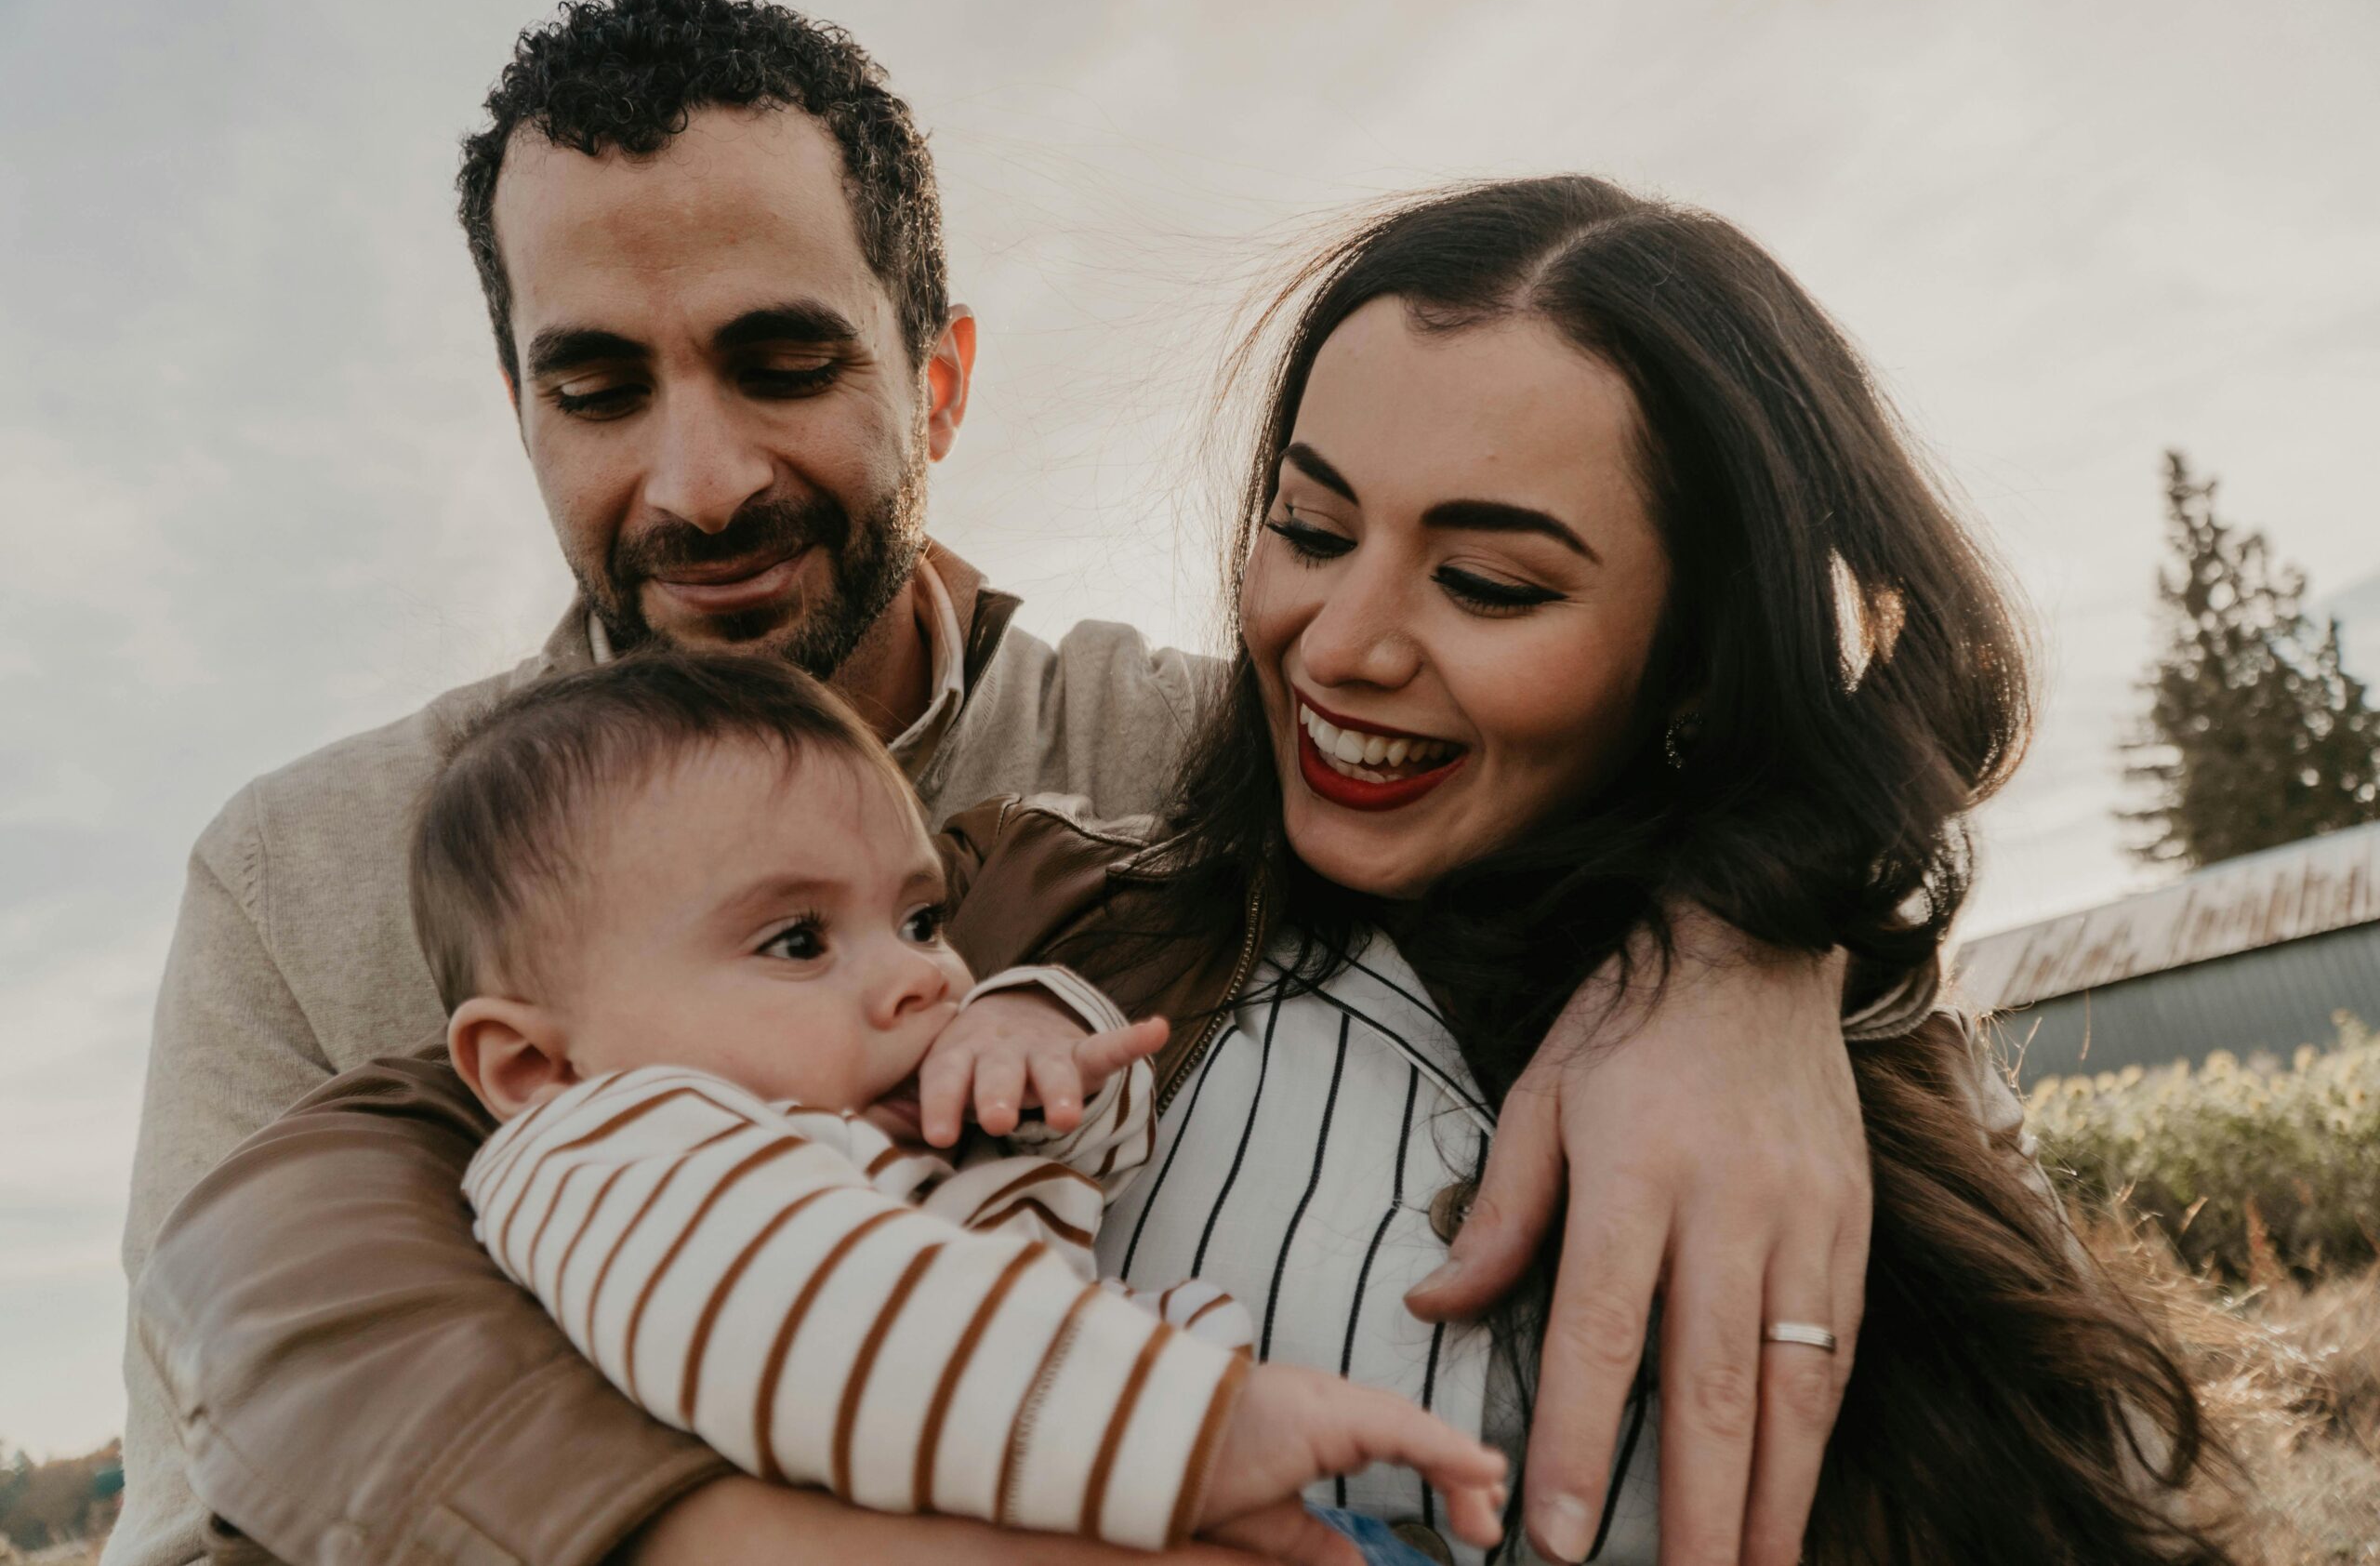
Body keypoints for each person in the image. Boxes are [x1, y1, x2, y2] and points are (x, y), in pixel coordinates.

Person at [133, 171, 2241, 1566]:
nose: (1335, 638)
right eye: (1305, 528)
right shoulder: (1099, 878)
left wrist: (1737, 935)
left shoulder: (1821, 1048)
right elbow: (350, 1194)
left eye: (1488, 574)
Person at [422, 652, 1508, 1563]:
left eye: (921, 918)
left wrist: (1037, 1038)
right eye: (797, 941)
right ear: (532, 1067)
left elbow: (1086, 1151)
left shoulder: (880, 1110)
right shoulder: (602, 1149)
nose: (928, 979)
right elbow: (806, 1312)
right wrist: (1202, 1430)